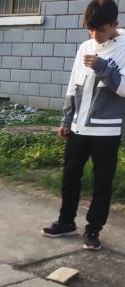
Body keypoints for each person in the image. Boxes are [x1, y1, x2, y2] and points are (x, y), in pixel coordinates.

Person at [42, 0, 124, 251]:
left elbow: (123, 89)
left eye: (101, 30)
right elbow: (73, 84)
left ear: (114, 24)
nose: (95, 35)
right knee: (70, 177)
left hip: (106, 129)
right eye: (91, 29)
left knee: (102, 183)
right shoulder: (85, 46)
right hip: (79, 127)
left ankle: (93, 229)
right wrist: (67, 118)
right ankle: (66, 222)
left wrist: (102, 67)